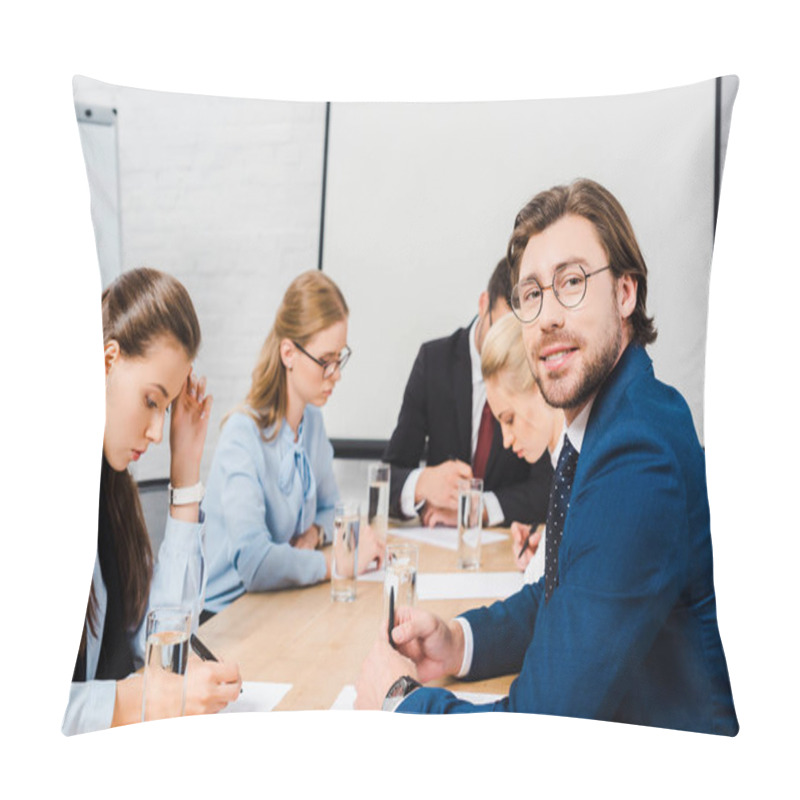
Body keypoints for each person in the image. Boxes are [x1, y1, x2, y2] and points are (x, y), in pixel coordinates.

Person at [355, 179, 738, 736]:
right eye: (532, 294)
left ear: (626, 293)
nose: (549, 314)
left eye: (573, 283)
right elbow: (565, 599)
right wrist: (460, 642)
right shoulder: (613, 419)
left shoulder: (637, 452)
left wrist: (398, 703)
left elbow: (543, 730)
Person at [63, 268, 242, 736]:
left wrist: (186, 470)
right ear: (107, 360)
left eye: (167, 408)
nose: (157, 431)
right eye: (150, 400)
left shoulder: (108, 486)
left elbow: (161, 642)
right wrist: (143, 698)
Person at [202, 271, 384, 613]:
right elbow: (254, 563)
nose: (336, 374)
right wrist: (337, 566)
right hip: (224, 616)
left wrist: (315, 533)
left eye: (339, 359)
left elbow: (333, 509)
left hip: (278, 601)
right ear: (289, 353)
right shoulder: (241, 436)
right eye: (325, 361)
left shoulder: (311, 421)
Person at [383, 257, 552, 529]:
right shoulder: (433, 363)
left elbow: (550, 487)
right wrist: (422, 484)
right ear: (483, 304)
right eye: (501, 329)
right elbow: (386, 480)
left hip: (503, 548)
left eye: (518, 336)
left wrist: (477, 508)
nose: (508, 347)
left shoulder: (534, 368)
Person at [479, 312, 563, 581]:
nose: (506, 440)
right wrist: (545, 558)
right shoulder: (563, 462)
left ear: (541, 384)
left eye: (510, 419)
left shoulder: (590, 463)